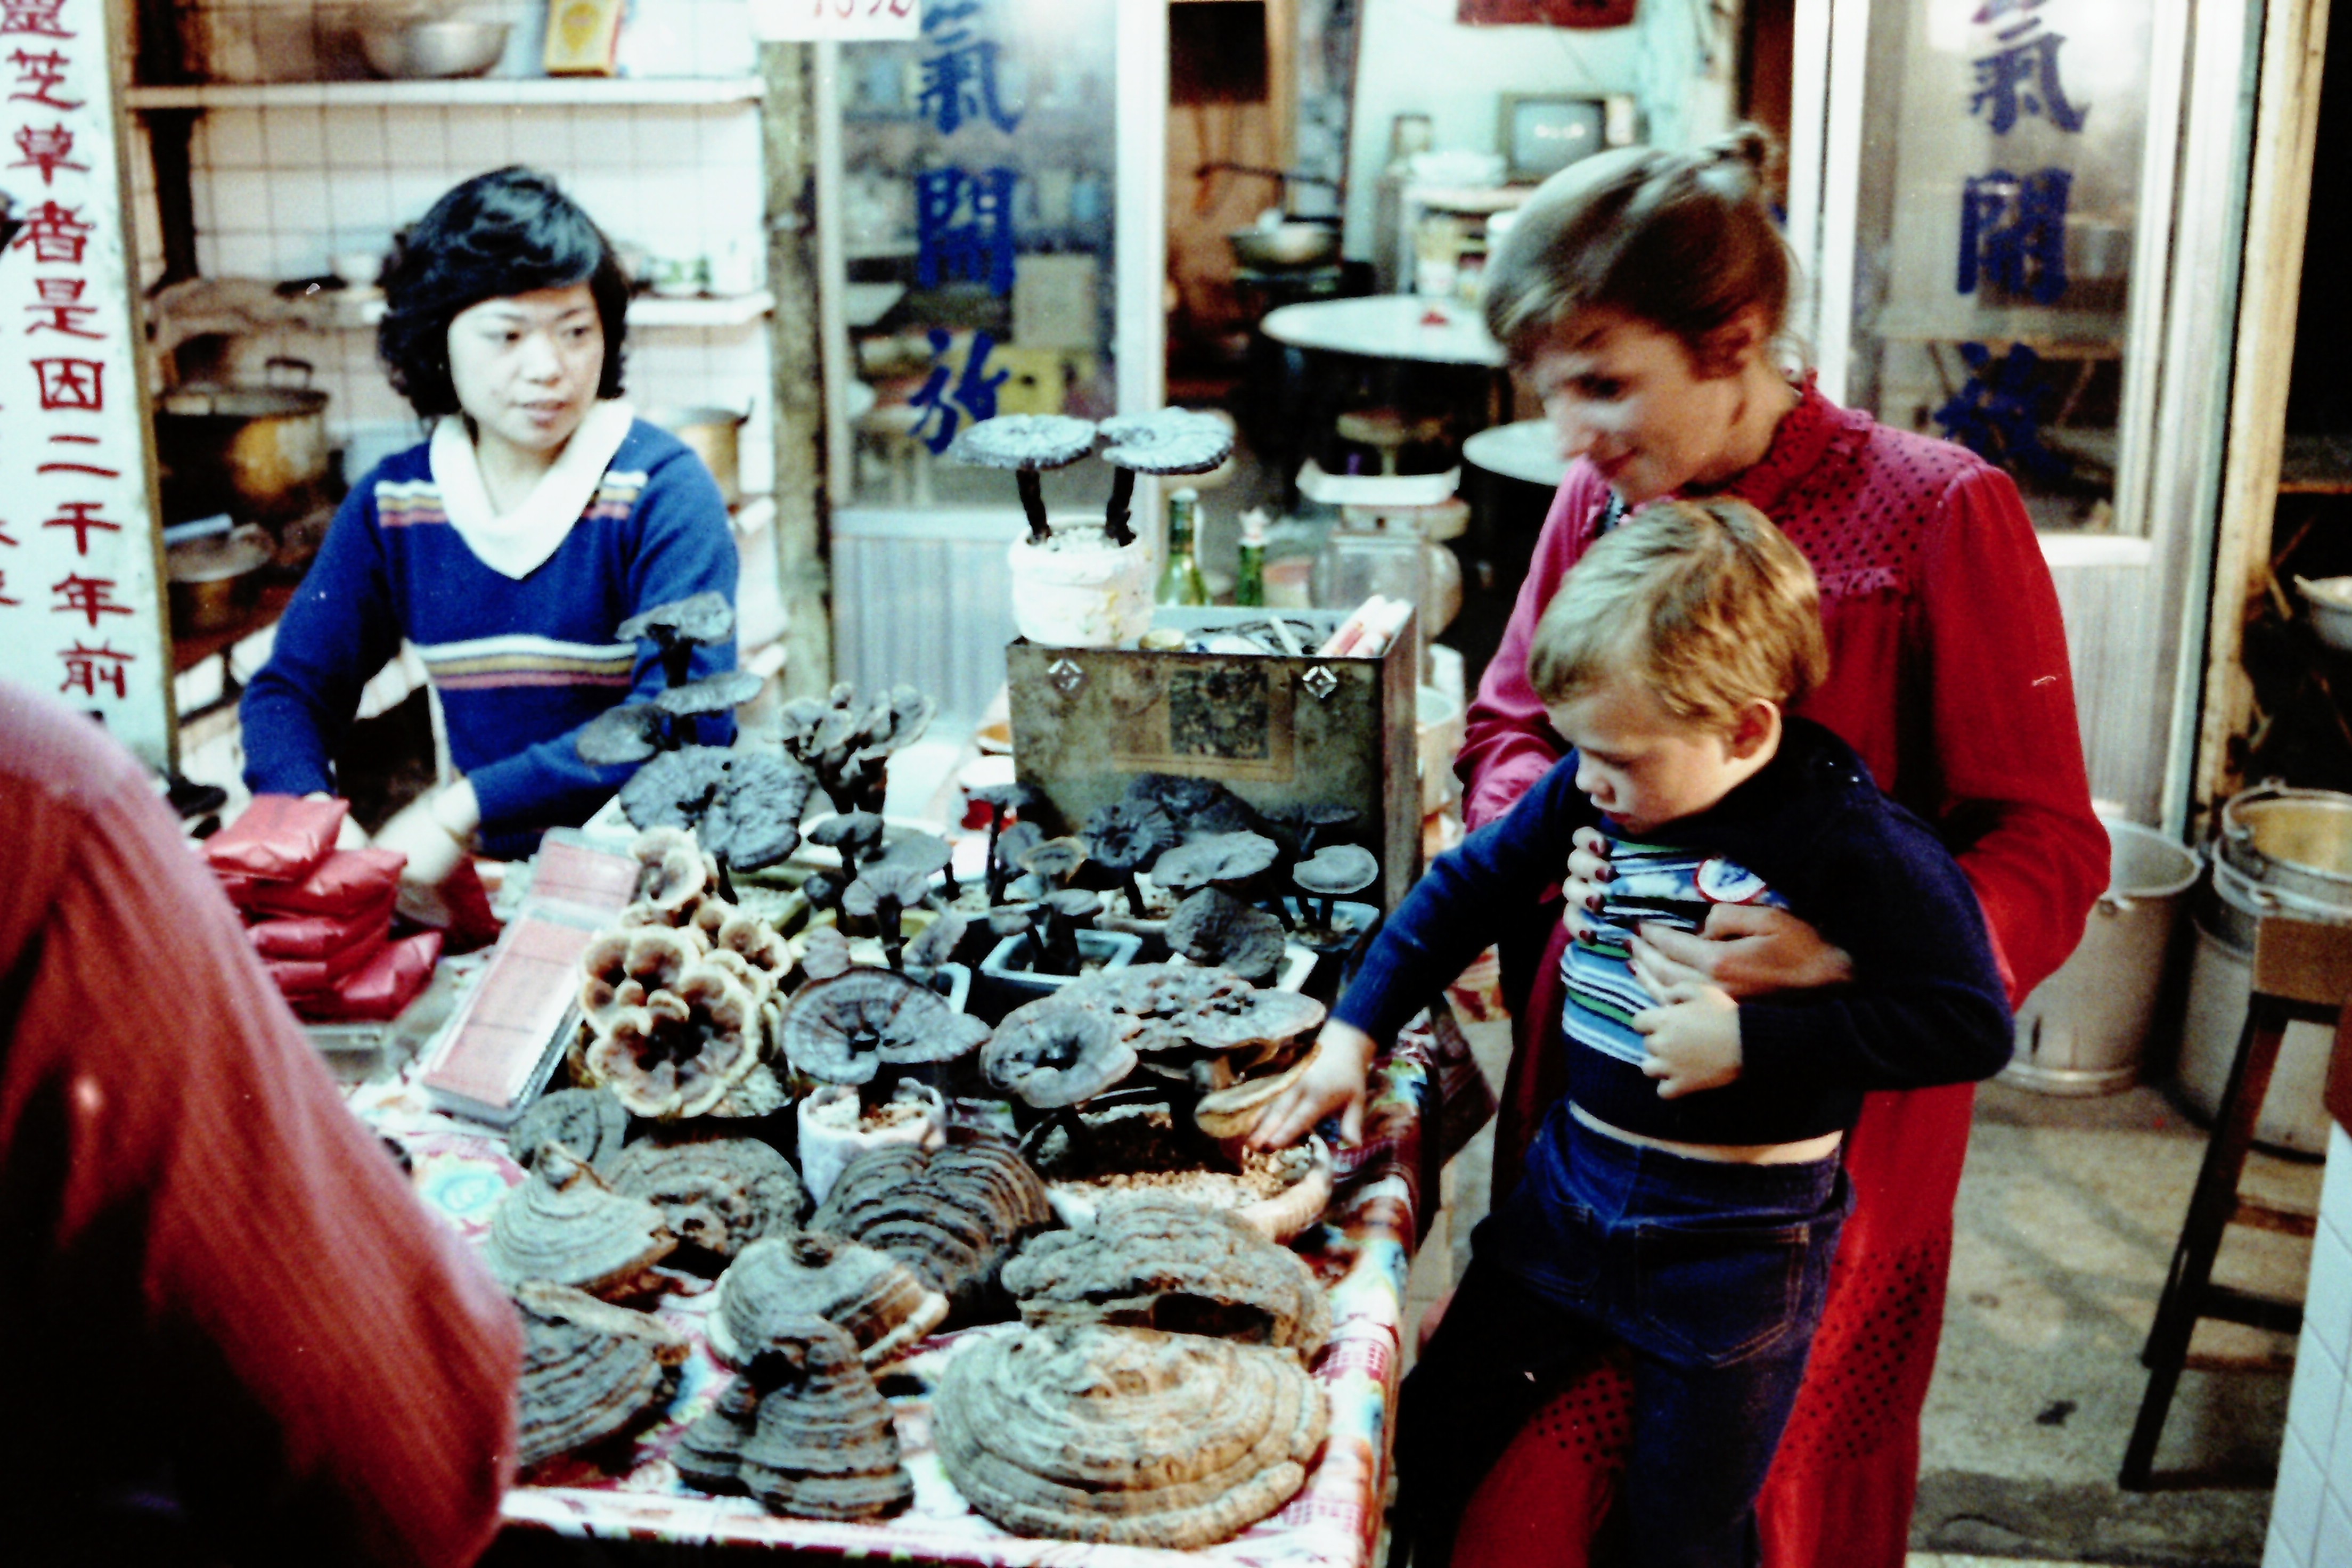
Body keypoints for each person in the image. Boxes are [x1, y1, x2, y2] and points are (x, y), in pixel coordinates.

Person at [1324, 129, 2103, 1567]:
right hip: (1597, 1110)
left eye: (1606, 384)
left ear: (1735, 341)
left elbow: (2049, 841)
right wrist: (1542, 839)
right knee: (1491, 1484)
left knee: (1724, 1513)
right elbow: (1512, 730)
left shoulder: (1934, 513)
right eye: (1555, 391)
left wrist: (1850, 944)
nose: (1573, 435)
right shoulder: (1605, 502)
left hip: (1813, 1165)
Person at [1259, 498, 2014, 1567]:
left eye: (1619, 759)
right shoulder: (1601, 779)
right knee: (1428, 1433)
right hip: (1568, 1198)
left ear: (1745, 728)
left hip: (1741, 1246)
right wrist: (1353, 1030)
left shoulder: (1851, 837)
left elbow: (1969, 1022)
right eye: (1577, 752)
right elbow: (1470, 882)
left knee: (1686, 1531)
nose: (1592, 785)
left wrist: (1753, 1046)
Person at [0, 680, 521, 1566]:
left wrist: (471, 802)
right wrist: (312, 813)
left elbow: (681, 713)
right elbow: (392, 1469)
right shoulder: (36, 800)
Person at [242, 166, 739, 903]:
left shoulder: (662, 490)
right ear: (438, 342)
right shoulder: (397, 501)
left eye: (576, 333)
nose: (548, 369)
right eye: (506, 335)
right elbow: (289, 690)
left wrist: (457, 811)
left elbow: (682, 723)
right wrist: (311, 813)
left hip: (659, 888)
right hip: (497, 888)